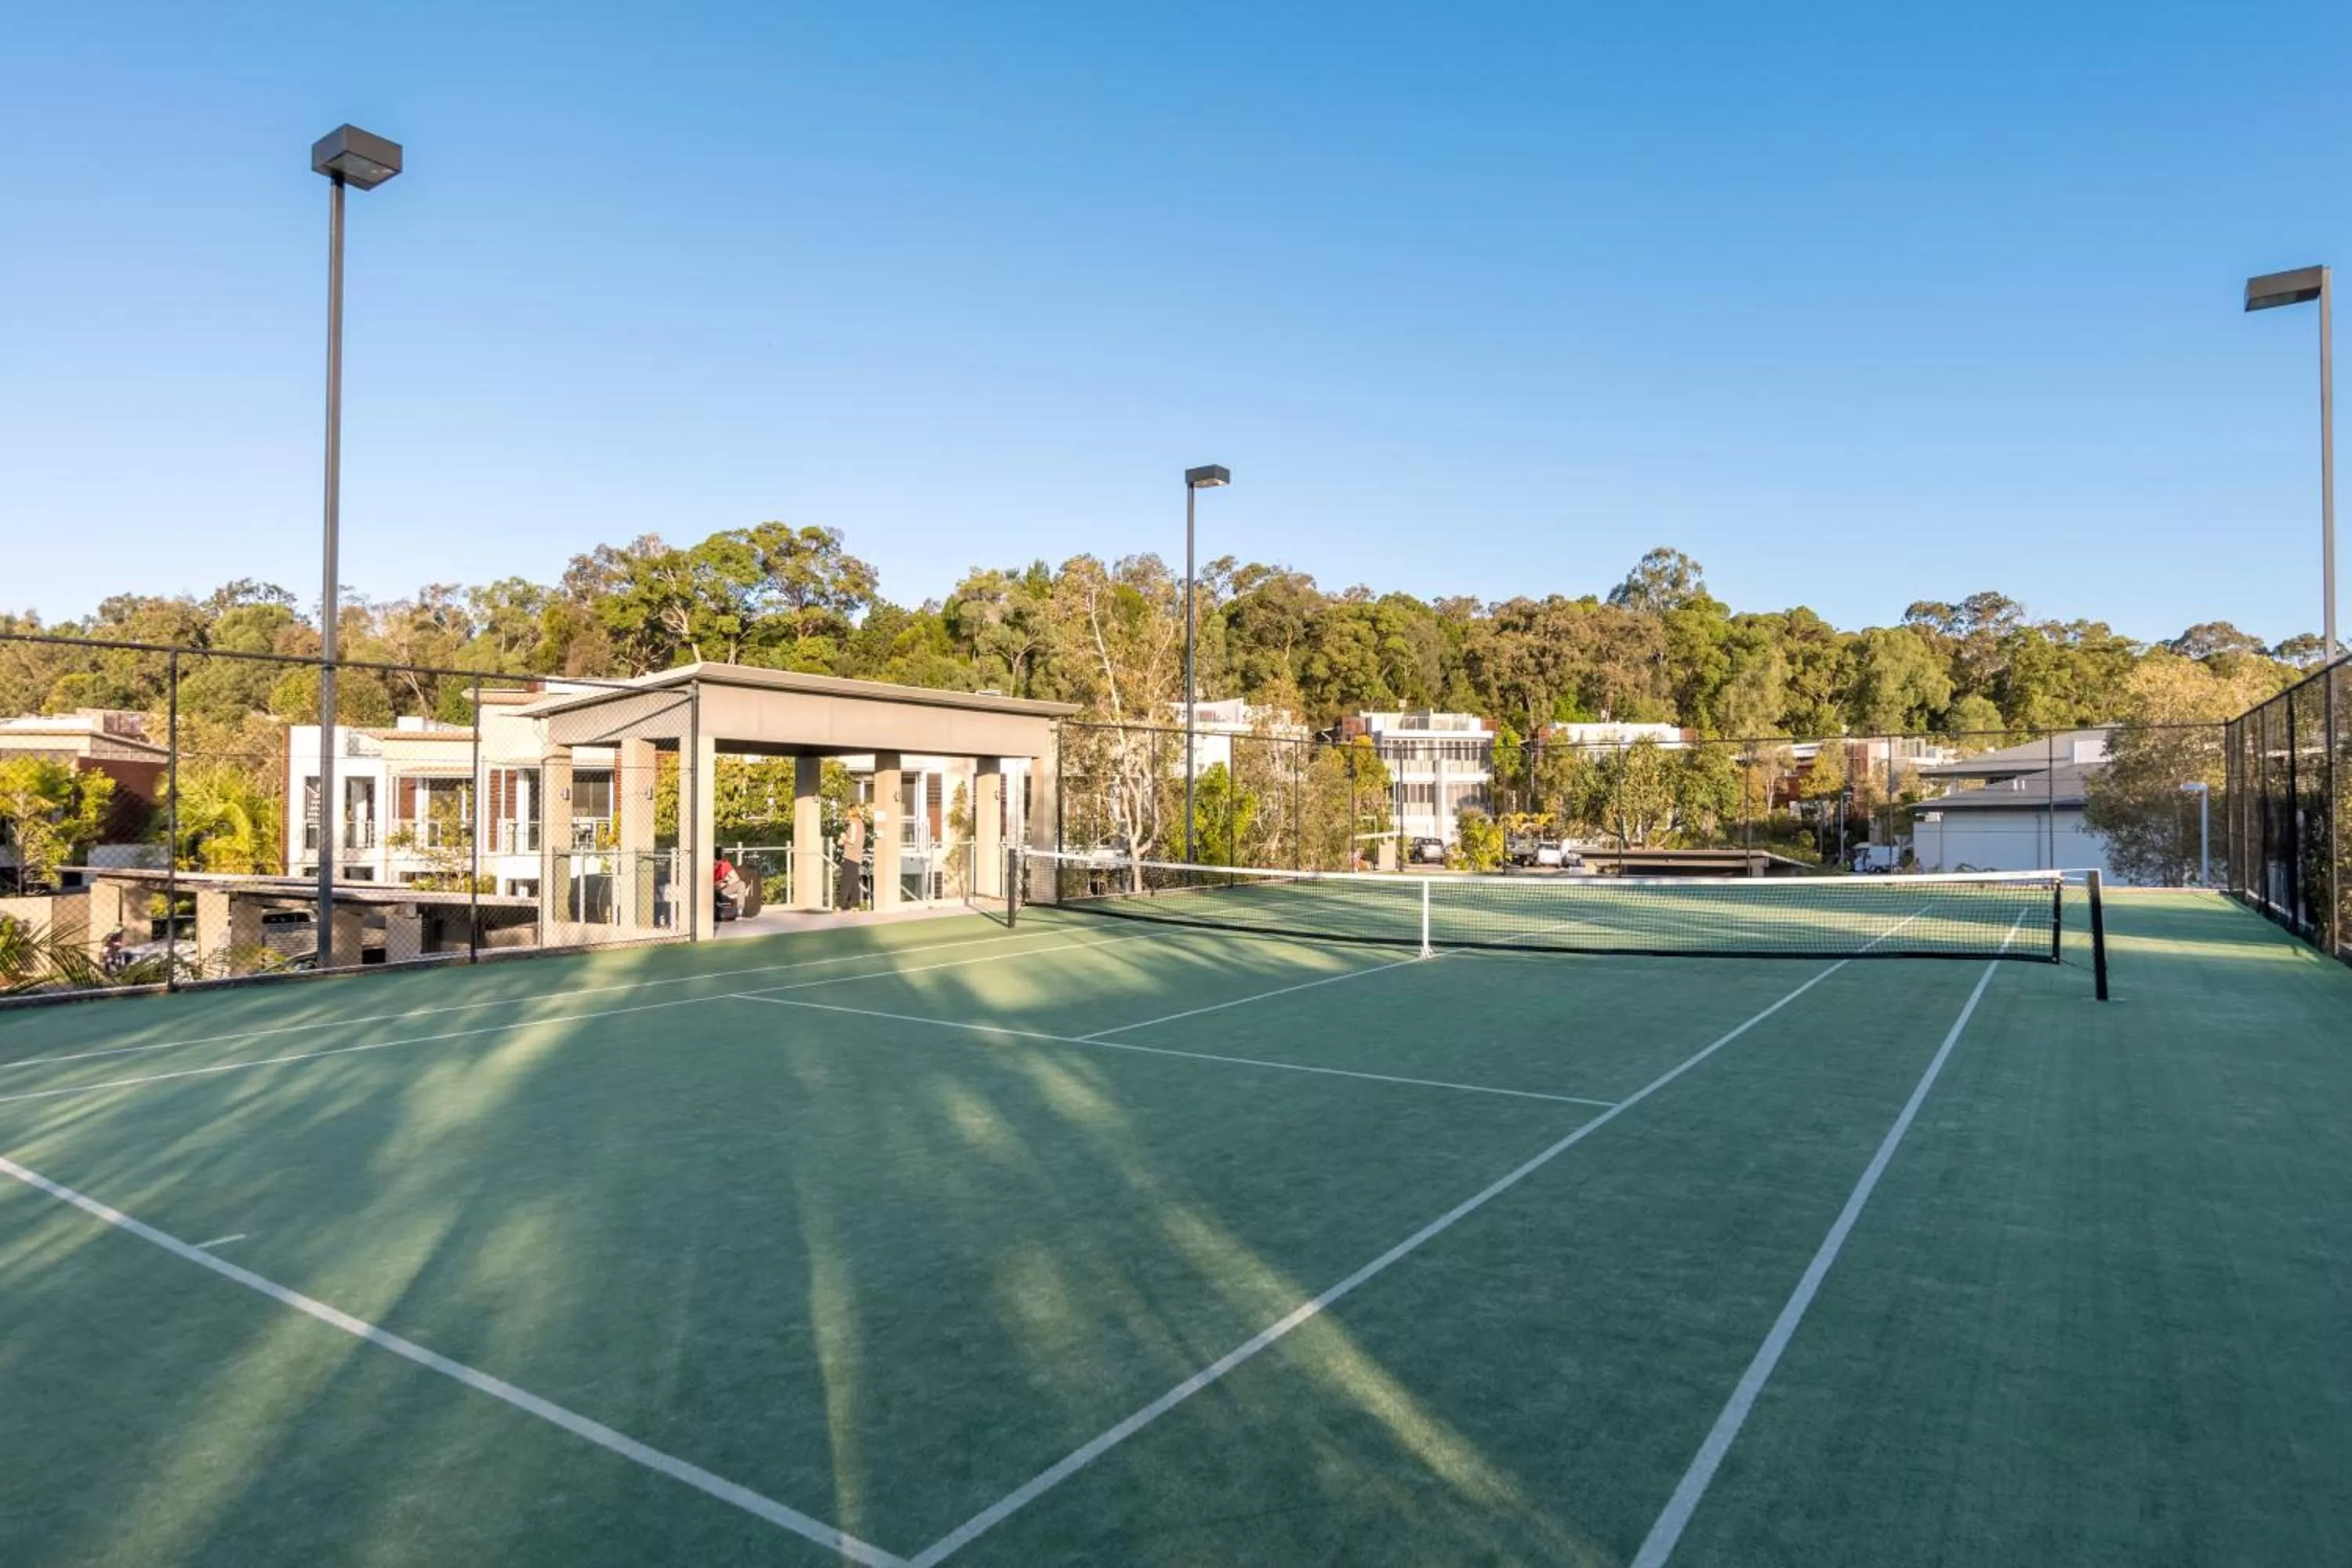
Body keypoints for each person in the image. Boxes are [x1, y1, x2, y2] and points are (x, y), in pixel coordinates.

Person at [838, 808, 866, 911]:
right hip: (857, 856)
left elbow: (852, 840)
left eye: (846, 814)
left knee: (846, 880)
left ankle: (840, 905)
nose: (845, 817)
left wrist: (844, 838)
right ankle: (855, 905)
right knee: (854, 882)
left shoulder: (853, 824)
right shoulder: (860, 823)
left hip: (851, 856)